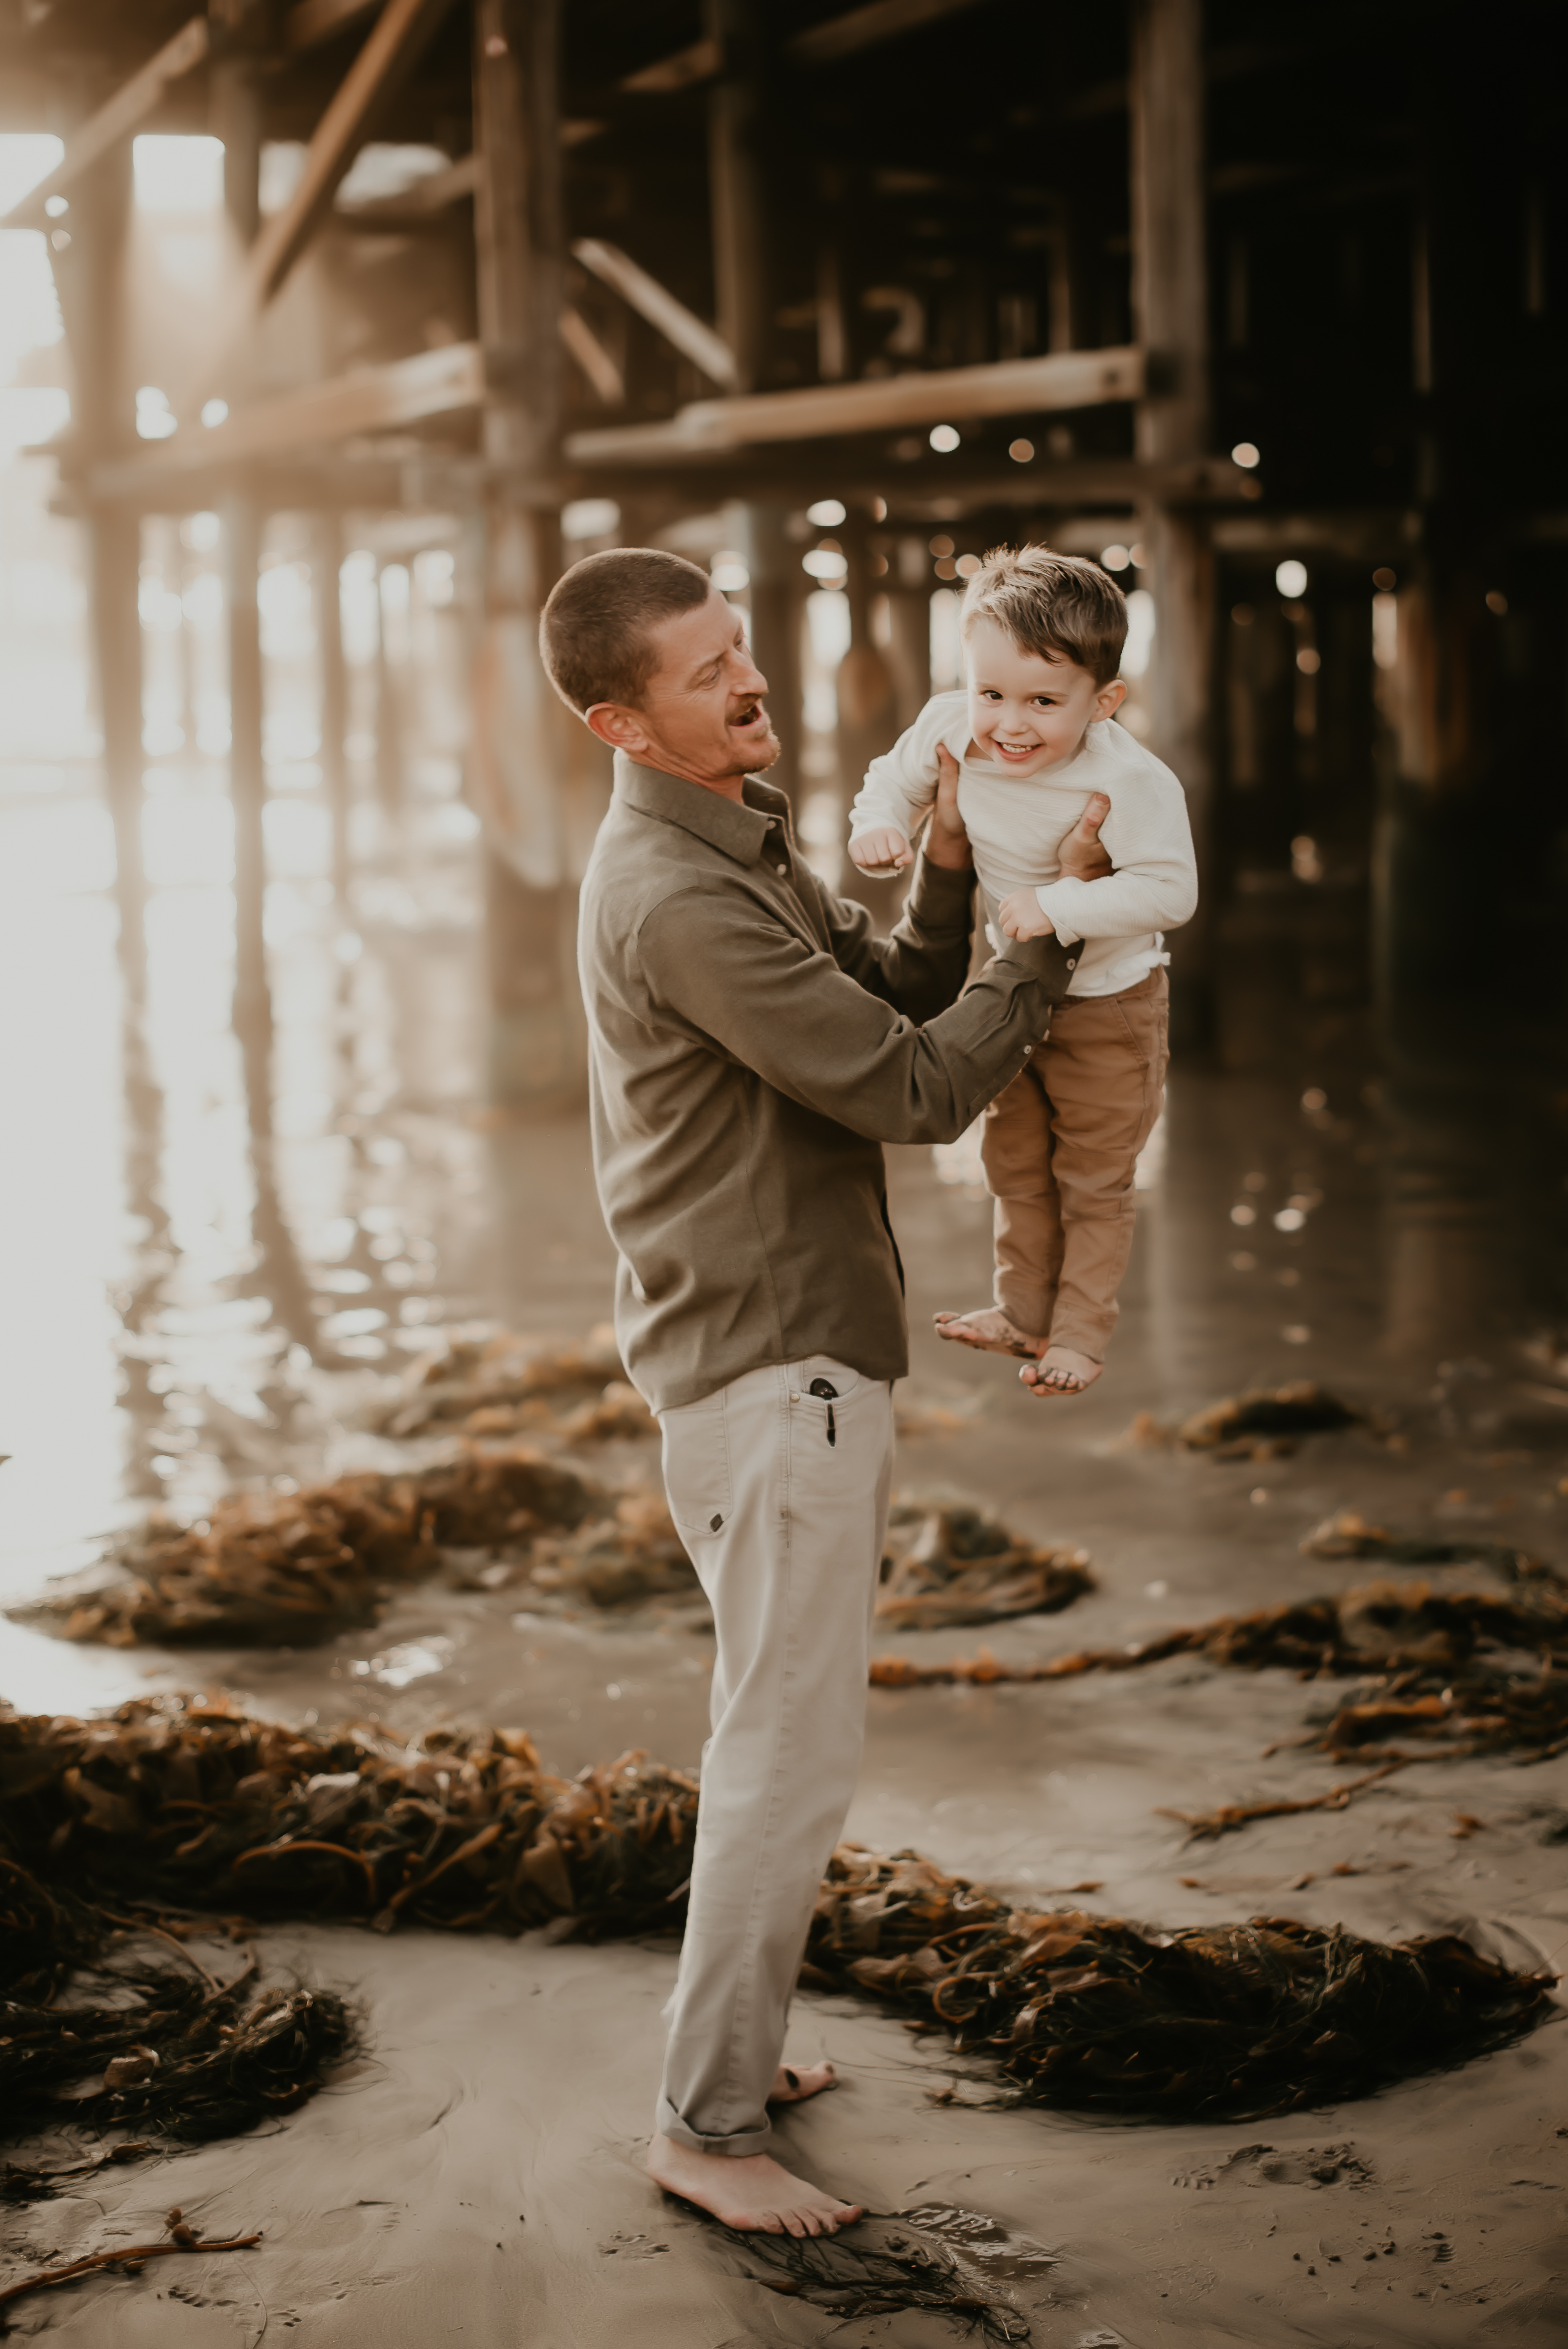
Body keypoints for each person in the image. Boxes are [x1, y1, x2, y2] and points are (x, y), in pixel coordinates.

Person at [539, 545, 1110, 2240]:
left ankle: (739, 2051)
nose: (749, 680)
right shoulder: (678, 897)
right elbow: (919, 1086)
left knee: (775, 1738)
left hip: (773, 1358)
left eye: (741, 648)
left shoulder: (733, 841)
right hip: (768, 1371)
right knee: (786, 1756)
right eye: (707, 672)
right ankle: (703, 2124)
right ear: (618, 722)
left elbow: (897, 996)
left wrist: (950, 875)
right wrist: (1053, 934)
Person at [848, 545, 1197, 1399]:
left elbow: (1173, 891)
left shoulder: (1130, 778)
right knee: (1010, 1163)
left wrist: (1060, 907)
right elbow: (890, 782)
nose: (1008, 724)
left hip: (1110, 1007)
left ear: (1103, 701)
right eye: (991, 693)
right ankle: (1023, 1313)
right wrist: (883, 827)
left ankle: (1078, 1337)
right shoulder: (946, 726)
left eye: (1045, 702)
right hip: (1019, 999)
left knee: (1093, 1181)